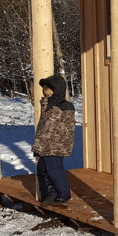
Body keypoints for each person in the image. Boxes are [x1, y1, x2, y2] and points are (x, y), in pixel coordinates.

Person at [33, 74, 75, 206]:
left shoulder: (64, 106)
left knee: (55, 170)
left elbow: (57, 127)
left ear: (56, 89)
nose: (43, 90)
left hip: (56, 145)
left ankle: (63, 195)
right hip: (45, 144)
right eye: (43, 87)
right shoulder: (48, 104)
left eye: (47, 87)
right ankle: (49, 194)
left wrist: (50, 143)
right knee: (42, 169)